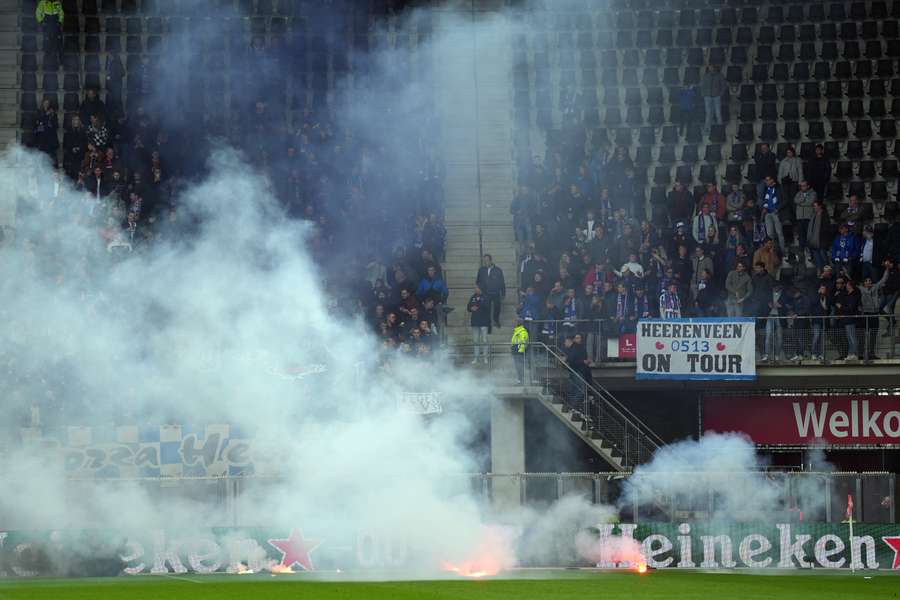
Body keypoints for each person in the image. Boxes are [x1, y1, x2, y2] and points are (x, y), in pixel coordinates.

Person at [476, 254, 506, 329]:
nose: (485, 262)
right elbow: (478, 281)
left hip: (496, 293)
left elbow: (502, 282)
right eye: (484, 261)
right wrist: (479, 289)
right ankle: (488, 324)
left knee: (497, 307)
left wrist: (503, 293)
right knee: (486, 309)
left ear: (491, 260)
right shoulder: (481, 270)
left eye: (487, 260)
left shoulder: (498, 270)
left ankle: (496, 320)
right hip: (485, 293)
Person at [468, 285, 490, 364]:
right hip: (475, 322)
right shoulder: (472, 297)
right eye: (475, 288)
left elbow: (487, 307)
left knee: (484, 340)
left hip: (484, 322)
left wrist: (478, 305)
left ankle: (485, 357)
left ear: (480, 289)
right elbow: (468, 307)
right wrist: (471, 308)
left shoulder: (486, 297)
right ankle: (476, 357)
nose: (475, 289)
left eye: (476, 288)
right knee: (476, 341)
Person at [700, 65, 726, 132]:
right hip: (707, 97)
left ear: (715, 68)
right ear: (708, 69)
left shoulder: (720, 75)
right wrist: (703, 94)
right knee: (708, 113)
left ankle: (720, 128)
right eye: (709, 68)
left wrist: (720, 94)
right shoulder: (705, 76)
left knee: (718, 113)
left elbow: (723, 85)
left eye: (712, 67)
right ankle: (707, 128)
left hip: (716, 96)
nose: (711, 69)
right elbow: (702, 86)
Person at [34, 99, 59, 165]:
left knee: (51, 158)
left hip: (51, 139)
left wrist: (52, 116)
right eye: (45, 103)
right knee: (41, 158)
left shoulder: (53, 113)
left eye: (48, 103)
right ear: (42, 104)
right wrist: (45, 114)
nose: (46, 104)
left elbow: (56, 126)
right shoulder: (38, 112)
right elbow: (37, 122)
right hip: (41, 139)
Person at [511, 319, 529, 384]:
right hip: (516, 351)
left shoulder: (522, 332)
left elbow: (523, 343)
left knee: (519, 366)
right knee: (518, 366)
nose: (514, 323)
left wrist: (520, 351)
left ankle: (521, 380)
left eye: (516, 322)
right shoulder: (517, 331)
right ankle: (520, 379)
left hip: (518, 352)